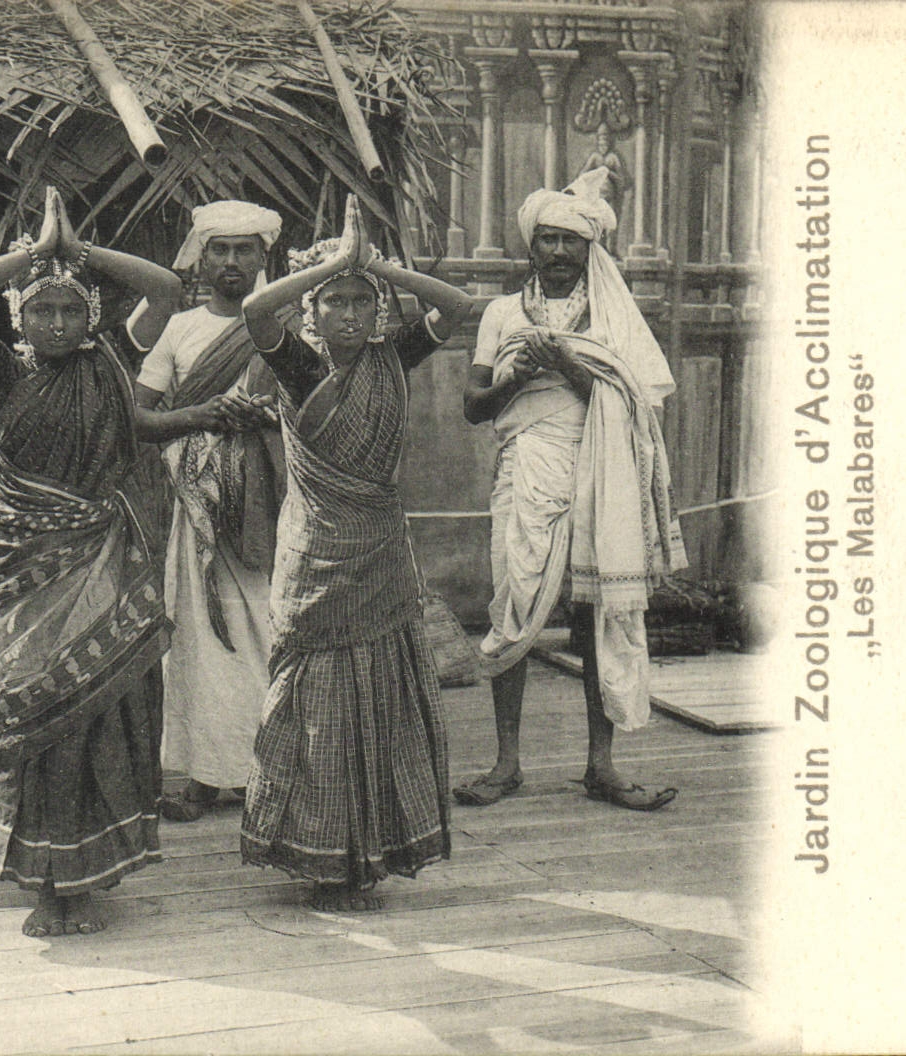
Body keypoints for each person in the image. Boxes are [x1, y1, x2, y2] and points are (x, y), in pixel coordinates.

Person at [0, 189, 179, 938]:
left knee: (103, 715)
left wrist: (79, 256)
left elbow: (167, 289)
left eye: (69, 309)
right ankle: (44, 886)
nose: (54, 322)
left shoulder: (110, 363)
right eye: (40, 309)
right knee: (33, 718)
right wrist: (39, 254)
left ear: (91, 318)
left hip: (100, 560)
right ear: (19, 317)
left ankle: (89, 873)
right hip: (26, 569)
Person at [238, 195, 473, 912]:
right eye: (333, 301)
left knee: (383, 701)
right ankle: (317, 856)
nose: (347, 314)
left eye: (359, 303)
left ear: (377, 312)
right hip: (317, 557)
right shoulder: (300, 368)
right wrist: (333, 265)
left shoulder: (392, 358)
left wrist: (372, 264)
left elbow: (458, 306)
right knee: (314, 708)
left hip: (379, 552)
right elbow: (255, 315)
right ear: (309, 312)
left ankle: (368, 851)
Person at [455, 171, 687, 811]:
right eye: (548, 240)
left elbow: (634, 402)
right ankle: (505, 763)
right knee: (515, 606)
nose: (558, 252)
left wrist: (565, 364)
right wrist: (515, 378)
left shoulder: (614, 317)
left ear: (589, 250)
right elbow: (474, 406)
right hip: (524, 471)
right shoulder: (502, 314)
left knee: (596, 618)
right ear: (531, 246)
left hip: (598, 474)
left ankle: (602, 765)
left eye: (570, 242)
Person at [130, 201, 286, 823]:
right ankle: (201, 776)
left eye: (243, 250)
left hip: (267, 502)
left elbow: (311, 407)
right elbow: (138, 416)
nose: (230, 262)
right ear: (201, 256)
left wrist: (268, 419)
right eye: (218, 250)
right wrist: (200, 416)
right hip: (196, 507)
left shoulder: (284, 326)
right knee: (197, 633)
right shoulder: (180, 329)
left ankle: (262, 771)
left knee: (262, 631)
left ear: (262, 257)